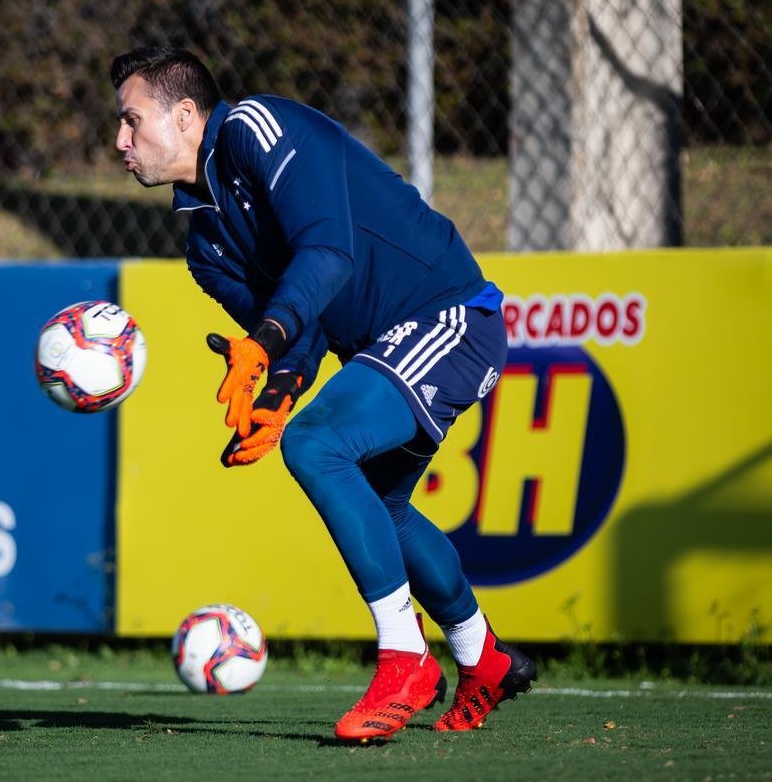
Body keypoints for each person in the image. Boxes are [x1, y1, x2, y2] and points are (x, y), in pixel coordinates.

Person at [111, 45, 536, 741]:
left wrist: (269, 347)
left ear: (185, 115)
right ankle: (480, 656)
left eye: (132, 120)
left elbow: (327, 254)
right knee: (384, 506)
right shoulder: (203, 248)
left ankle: (405, 659)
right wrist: (276, 392)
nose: (120, 141)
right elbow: (298, 335)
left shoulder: (254, 126)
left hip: (449, 316)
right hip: (384, 349)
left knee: (319, 443)